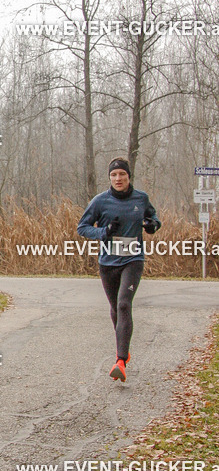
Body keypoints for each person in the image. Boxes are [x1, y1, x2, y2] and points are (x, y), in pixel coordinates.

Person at [77, 157, 161, 382]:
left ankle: (120, 360)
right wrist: (104, 232)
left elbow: (153, 218)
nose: (118, 178)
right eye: (113, 175)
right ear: (109, 178)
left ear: (129, 176)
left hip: (133, 260)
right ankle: (123, 350)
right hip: (108, 263)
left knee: (124, 304)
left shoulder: (141, 198)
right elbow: (82, 228)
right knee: (116, 307)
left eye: (122, 174)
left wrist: (152, 225)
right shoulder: (100, 201)